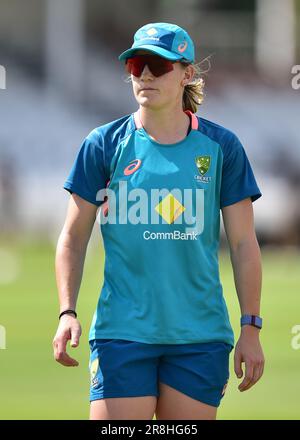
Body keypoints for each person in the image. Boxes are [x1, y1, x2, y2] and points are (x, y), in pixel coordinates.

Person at [52, 22, 265, 420]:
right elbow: (73, 237)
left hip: (199, 336)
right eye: (136, 65)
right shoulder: (103, 144)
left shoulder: (222, 147)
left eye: (158, 65)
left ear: (187, 74)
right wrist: (67, 312)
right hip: (121, 332)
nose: (145, 75)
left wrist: (250, 326)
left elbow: (242, 244)